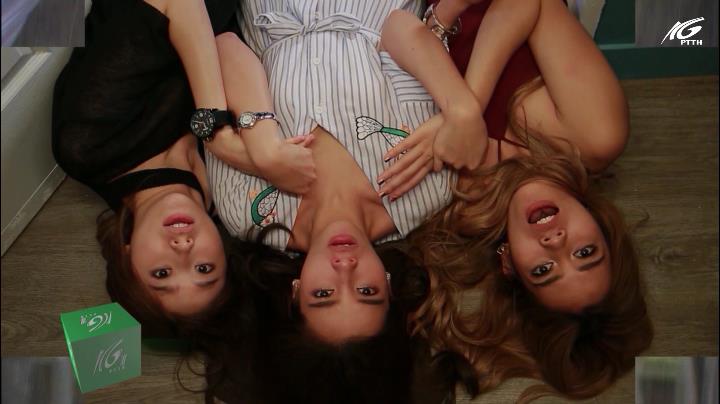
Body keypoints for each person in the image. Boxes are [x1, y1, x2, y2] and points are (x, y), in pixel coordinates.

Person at [376, 0, 653, 401]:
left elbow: (384, 53)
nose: (556, 242)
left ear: (509, 263)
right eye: (585, 252)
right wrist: (466, 109)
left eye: (543, 269)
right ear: (603, 228)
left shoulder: (458, 195)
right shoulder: (595, 135)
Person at [206, 1, 486, 343]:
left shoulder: (248, 215)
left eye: (323, 294)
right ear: (388, 285)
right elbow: (399, 26)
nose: (344, 267)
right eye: (367, 291)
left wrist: (264, 152)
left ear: (296, 292)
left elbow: (224, 48)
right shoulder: (427, 189)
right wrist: (461, 107)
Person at [51, 0, 315, 334]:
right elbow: (227, 46)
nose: (183, 250)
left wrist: (216, 133)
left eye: (161, 273)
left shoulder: (88, 141)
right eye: (204, 269)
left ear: (126, 257)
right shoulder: (231, 197)